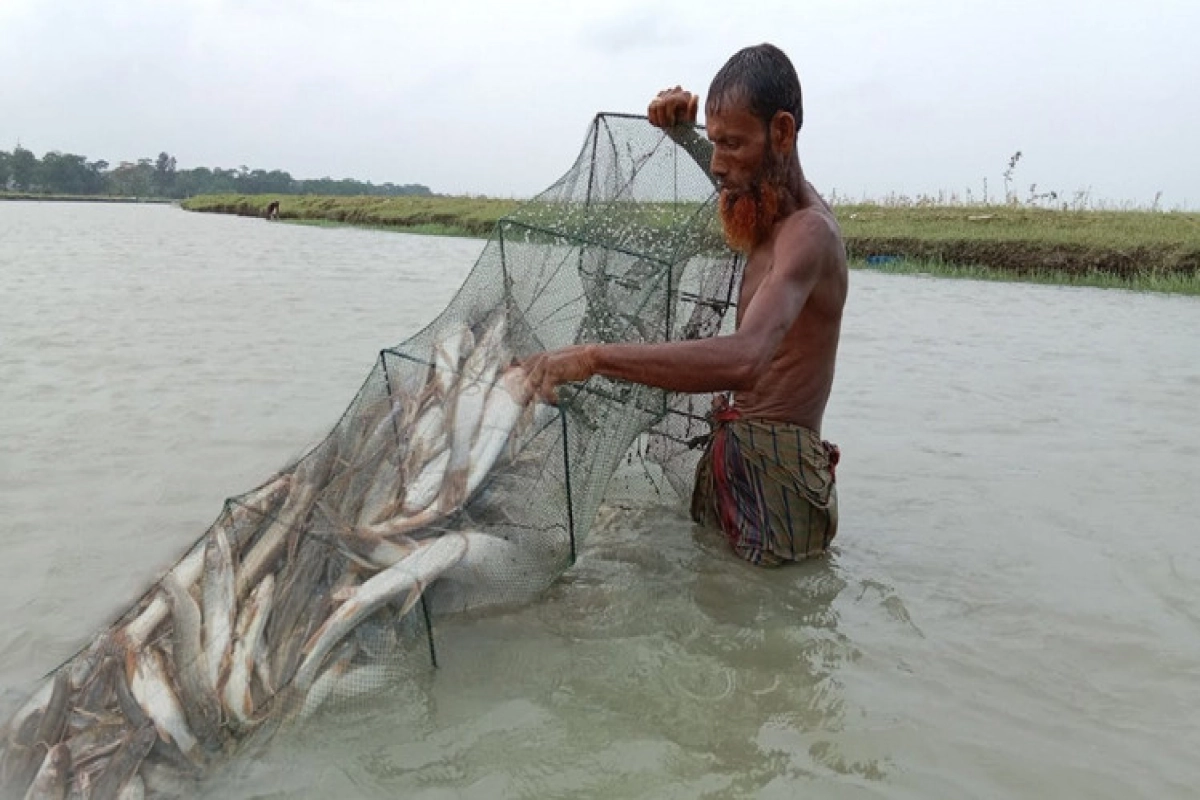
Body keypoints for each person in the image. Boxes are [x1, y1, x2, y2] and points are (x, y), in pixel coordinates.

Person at [522, 43, 848, 566]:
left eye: (733, 143)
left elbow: (746, 358)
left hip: (780, 475)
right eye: (714, 142)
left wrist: (594, 357)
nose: (718, 163)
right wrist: (683, 133)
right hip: (732, 448)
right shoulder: (764, 209)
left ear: (782, 133)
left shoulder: (808, 233)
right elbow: (732, 178)